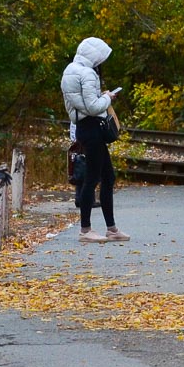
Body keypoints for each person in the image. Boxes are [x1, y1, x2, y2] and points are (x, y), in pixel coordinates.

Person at [60, 37, 129, 244]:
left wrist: (101, 95)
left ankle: (111, 228)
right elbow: (93, 107)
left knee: (107, 176)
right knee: (92, 179)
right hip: (93, 129)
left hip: (84, 128)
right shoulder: (88, 73)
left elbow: (82, 102)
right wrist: (108, 97)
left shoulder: (70, 70)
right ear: (95, 56)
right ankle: (85, 230)